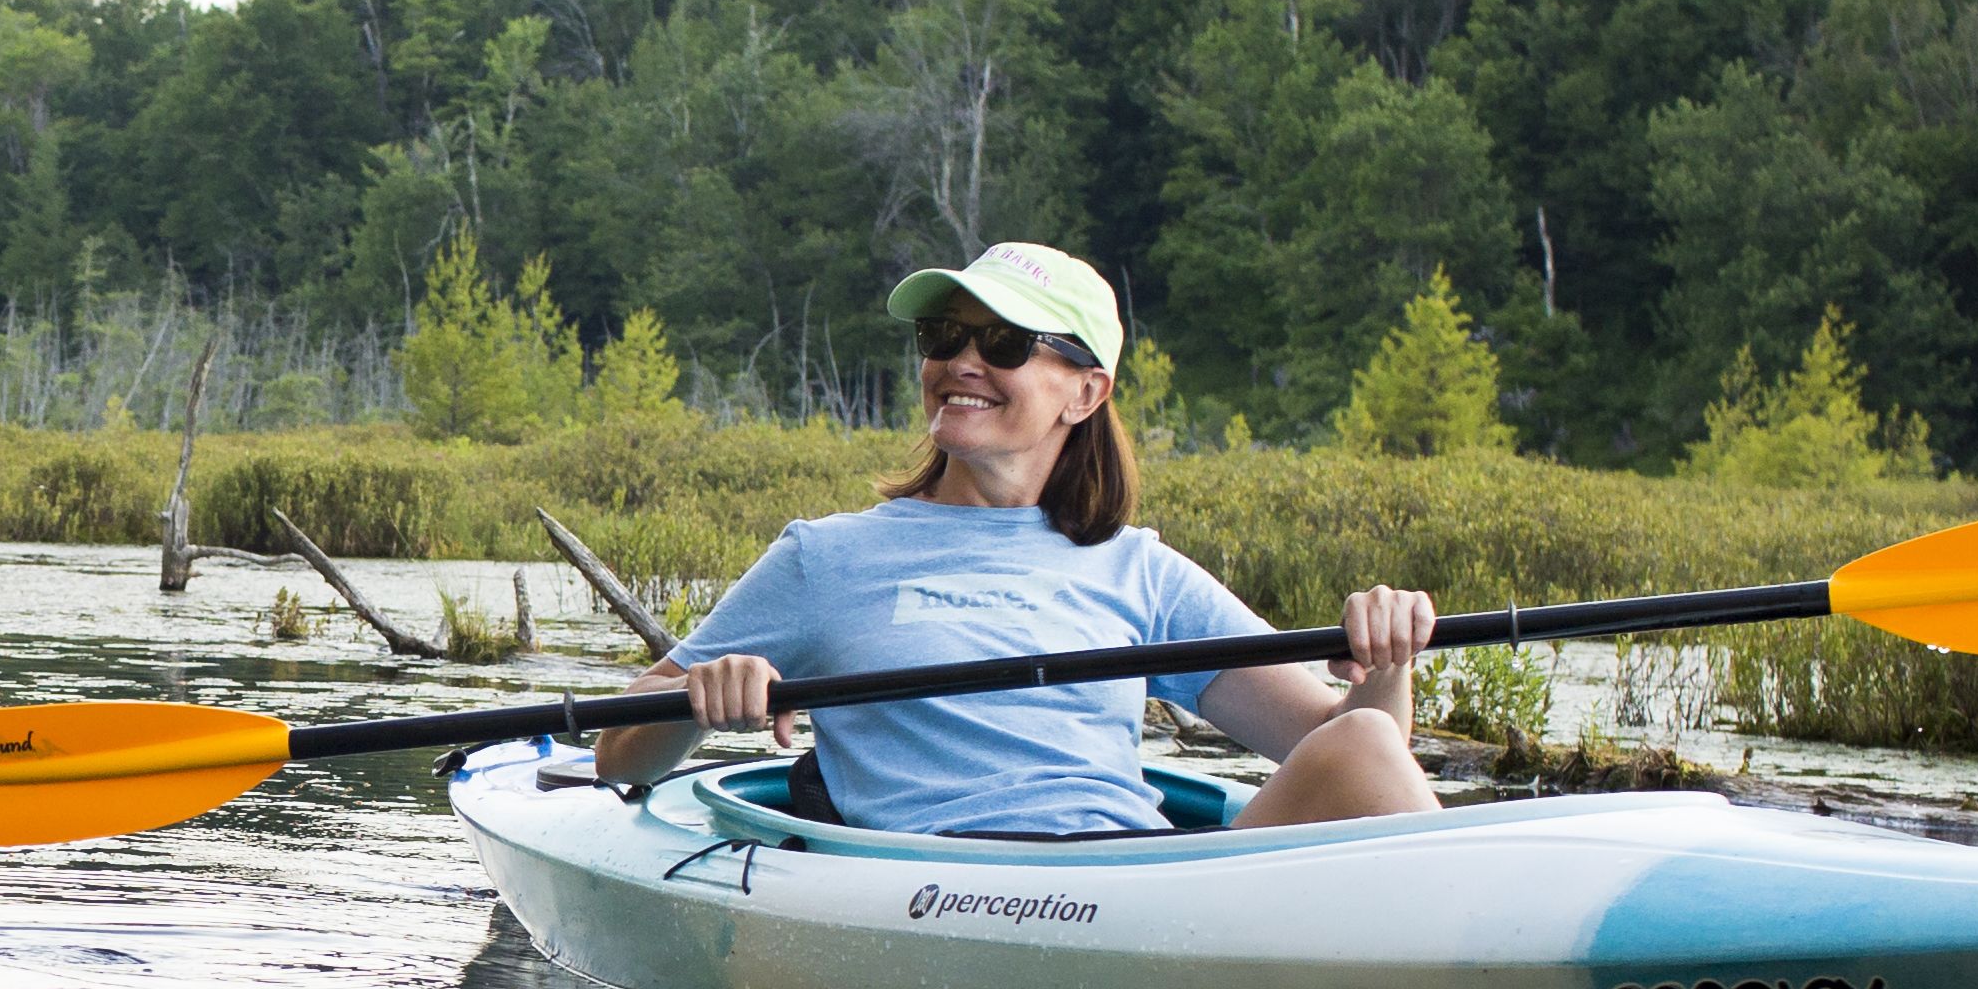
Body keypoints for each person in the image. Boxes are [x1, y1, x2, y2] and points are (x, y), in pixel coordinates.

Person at [598, 240, 1439, 837]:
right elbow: (619, 759)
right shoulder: (826, 559)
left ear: (1084, 393)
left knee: (1363, 742)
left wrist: (1389, 658)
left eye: (999, 342)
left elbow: (1338, 745)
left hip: (1130, 884)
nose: (961, 360)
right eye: (943, 337)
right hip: (938, 890)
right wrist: (701, 696)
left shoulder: (1140, 570)